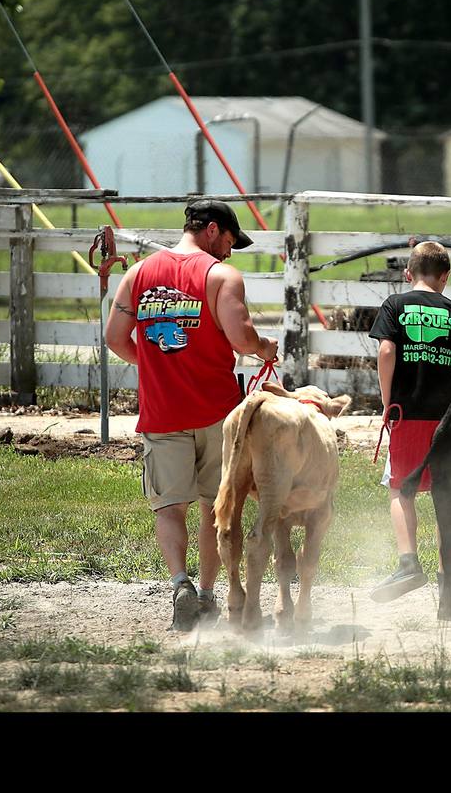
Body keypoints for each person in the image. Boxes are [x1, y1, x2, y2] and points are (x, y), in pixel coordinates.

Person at [105, 199, 278, 632]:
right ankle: (205, 594)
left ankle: (179, 584)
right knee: (213, 508)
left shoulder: (139, 273)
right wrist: (265, 348)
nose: (229, 251)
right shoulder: (221, 276)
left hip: (162, 412)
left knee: (169, 507)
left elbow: (114, 337)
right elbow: (240, 339)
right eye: (230, 242)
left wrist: (156, 365)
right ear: (214, 230)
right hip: (217, 414)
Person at [367, 241, 451, 602]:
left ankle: (408, 564)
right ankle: (446, 573)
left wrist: (388, 401)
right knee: (447, 493)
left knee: (400, 489)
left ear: (408, 274)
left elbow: (386, 350)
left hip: (410, 412)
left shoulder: (394, 304)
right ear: (445, 277)